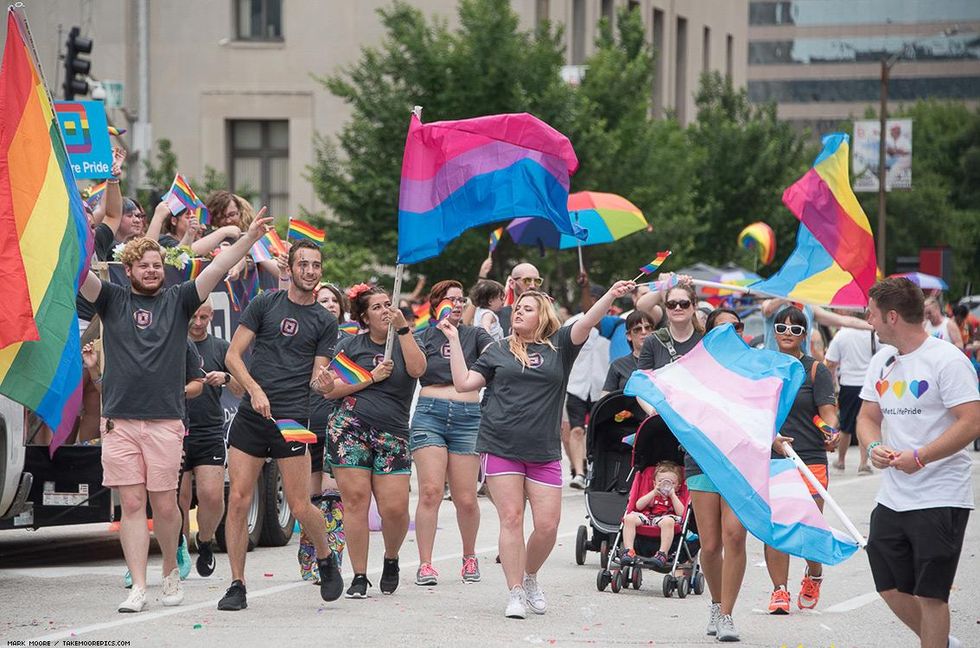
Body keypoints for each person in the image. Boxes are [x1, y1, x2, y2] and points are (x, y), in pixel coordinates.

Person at [76, 208, 270, 613]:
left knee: (164, 505)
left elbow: (216, 268)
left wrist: (248, 238)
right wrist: (70, 231)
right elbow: (79, 274)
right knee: (131, 504)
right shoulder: (112, 299)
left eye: (157, 265)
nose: (151, 271)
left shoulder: (178, 301)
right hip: (119, 422)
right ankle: (138, 586)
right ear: (128, 269)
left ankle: (168, 569)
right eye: (143, 265)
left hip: (165, 421)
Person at [442, 281, 634, 619]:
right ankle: (515, 590)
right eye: (517, 308)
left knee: (547, 526)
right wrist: (455, 341)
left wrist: (612, 295)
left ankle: (529, 577)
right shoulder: (498, 350)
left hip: (544, 450)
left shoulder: (561, 345)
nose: (518, 311)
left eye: (526, 308)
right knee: (512, 518)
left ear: (542, 316)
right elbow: (464, 384)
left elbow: (587, 321)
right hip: (501, 444)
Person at [220, 239, 342, 611]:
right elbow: (232, 356)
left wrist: (323, 383)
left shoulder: (324, 320)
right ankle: (237, 584)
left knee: (300, 503)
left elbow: (319, 374)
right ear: (288, 268)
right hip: (252, 414)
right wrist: (254, 389)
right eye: (303, 264)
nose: (309, 271)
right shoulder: (265, 303)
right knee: (239, 499)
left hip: (291, 418)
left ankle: (325, 556)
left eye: (316, 265)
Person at [857, 278, 979, 648]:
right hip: (894, 497)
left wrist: (921, 456)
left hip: (941, 496)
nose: (868, 321)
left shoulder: (947, 360)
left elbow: (972, 421)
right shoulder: (882, 360)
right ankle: (942, 641)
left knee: (931, 595)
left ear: (892, 316)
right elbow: (866, 417)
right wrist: (874, 446)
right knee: (888, 585)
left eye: (872, 314)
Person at [326, 284, 426, 599]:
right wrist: (369, 377)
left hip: (392, 433)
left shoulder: (407, 339)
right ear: (365, 317)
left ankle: (392, 557)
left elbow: (419, 369)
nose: (385, 310)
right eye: (378, 307)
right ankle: (358, 575)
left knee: (394, 509)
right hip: (350, 427)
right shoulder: (350, 346)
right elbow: (330, 389)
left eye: (388, 304)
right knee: (355, 503)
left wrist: (404, 329)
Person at [411, 280, 492, 586]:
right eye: (451, 299)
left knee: (466, 498)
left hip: (468, 417)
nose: (457, 304)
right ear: (436, 303)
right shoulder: (423, 336)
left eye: (461, 300)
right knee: (430, 491)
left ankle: (469, 556)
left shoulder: (475, 334)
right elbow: (415, 370)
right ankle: (425, 563)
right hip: (430, 413)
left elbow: (494, 360)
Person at [678, 307, 747, 642]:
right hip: (704, 458)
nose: (731, 333)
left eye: (737, 327)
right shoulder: (695, 369)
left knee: (735, 534)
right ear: (708, 335)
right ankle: (716, 603)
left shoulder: (753, 368)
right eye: (723, 329)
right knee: (710, 543)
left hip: (741, 460)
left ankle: (729, 615)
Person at [765, 306, 839, 615]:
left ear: (804, 336)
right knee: (778, 526)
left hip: (810, 457)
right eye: (782, 327)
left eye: (795, 330)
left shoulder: (814, 370)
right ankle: (779, 590)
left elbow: (827, 412)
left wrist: (831, 431)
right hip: (773, 457)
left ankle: (814, 574)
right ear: (774, 331)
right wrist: (771, 439)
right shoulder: (765, 368)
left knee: (809, 527)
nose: (787, 334)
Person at [181, 299, 243, 578]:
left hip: (209, 429)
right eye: (193, 316)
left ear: (212, 317)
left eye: (203, 317)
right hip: (177, 429)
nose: (197, 322)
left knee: (212, 496)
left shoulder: (220, 347)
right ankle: (179, 547)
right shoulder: (175, 344)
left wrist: (227, 378)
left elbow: (243, 388)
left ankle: (204, 540)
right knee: (178, 498)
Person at [297, 282, 350, 583]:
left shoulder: (351, 342)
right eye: (323, 299)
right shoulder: (304, 339)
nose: (330, 304)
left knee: (332, 498)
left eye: (334, 300)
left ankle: (331, 561)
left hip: (338, 426)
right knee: (308, 500)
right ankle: (311, 550)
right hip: (305, 425)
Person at [563, 282, 612, 488]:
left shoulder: (609, 325)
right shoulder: (573, 324)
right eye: (589, 298)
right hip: (576, 385)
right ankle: (579, 473)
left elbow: (595, 320)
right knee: (576, 430)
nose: (592, 303)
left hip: (601, 388)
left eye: (596, 299)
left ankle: (595, 469)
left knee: (599, 432)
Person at [825, 324, 884, 474]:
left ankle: (841, 460)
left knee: (846, 425)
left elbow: (831, 361)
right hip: (868, 384)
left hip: (848, 384)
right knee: (866, 421)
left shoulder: (842, 334)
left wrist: (831, 381)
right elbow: (882, 356)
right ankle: (863, 463)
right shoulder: (873, 334)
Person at [619, 461, 685, 571]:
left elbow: (681, 513)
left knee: (668, 522)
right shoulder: (653, 494)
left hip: (667, 518)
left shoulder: (676, 496)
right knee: (629, 519)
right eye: (661, 482)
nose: (665, 485)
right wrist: (653, 493)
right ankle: (629, 551)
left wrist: (672, 495)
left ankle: (662, 553)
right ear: (654, 483)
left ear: (678, 486)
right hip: (649, 517)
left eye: (671, 483)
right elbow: (638, 506)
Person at [760, 298, 872, 354]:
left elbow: (842, 321)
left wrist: (873, 326)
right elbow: (767, 309)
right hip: (773, 365)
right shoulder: (772, 304)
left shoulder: (809, 308)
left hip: (800, 366)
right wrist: (788, 294)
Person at [602, 310, 655, 394]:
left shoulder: (664, 360)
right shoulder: (618, 365)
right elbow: (605, 399)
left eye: (647, 328)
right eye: (637, 329)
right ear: (629, 336)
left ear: (652, 332)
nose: (644, 332)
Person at [498, 262, 543, 337]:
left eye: (537, 281)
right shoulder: (497, 315)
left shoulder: (545, 315)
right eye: (527, 280)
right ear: (512, 283)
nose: (532, 286)